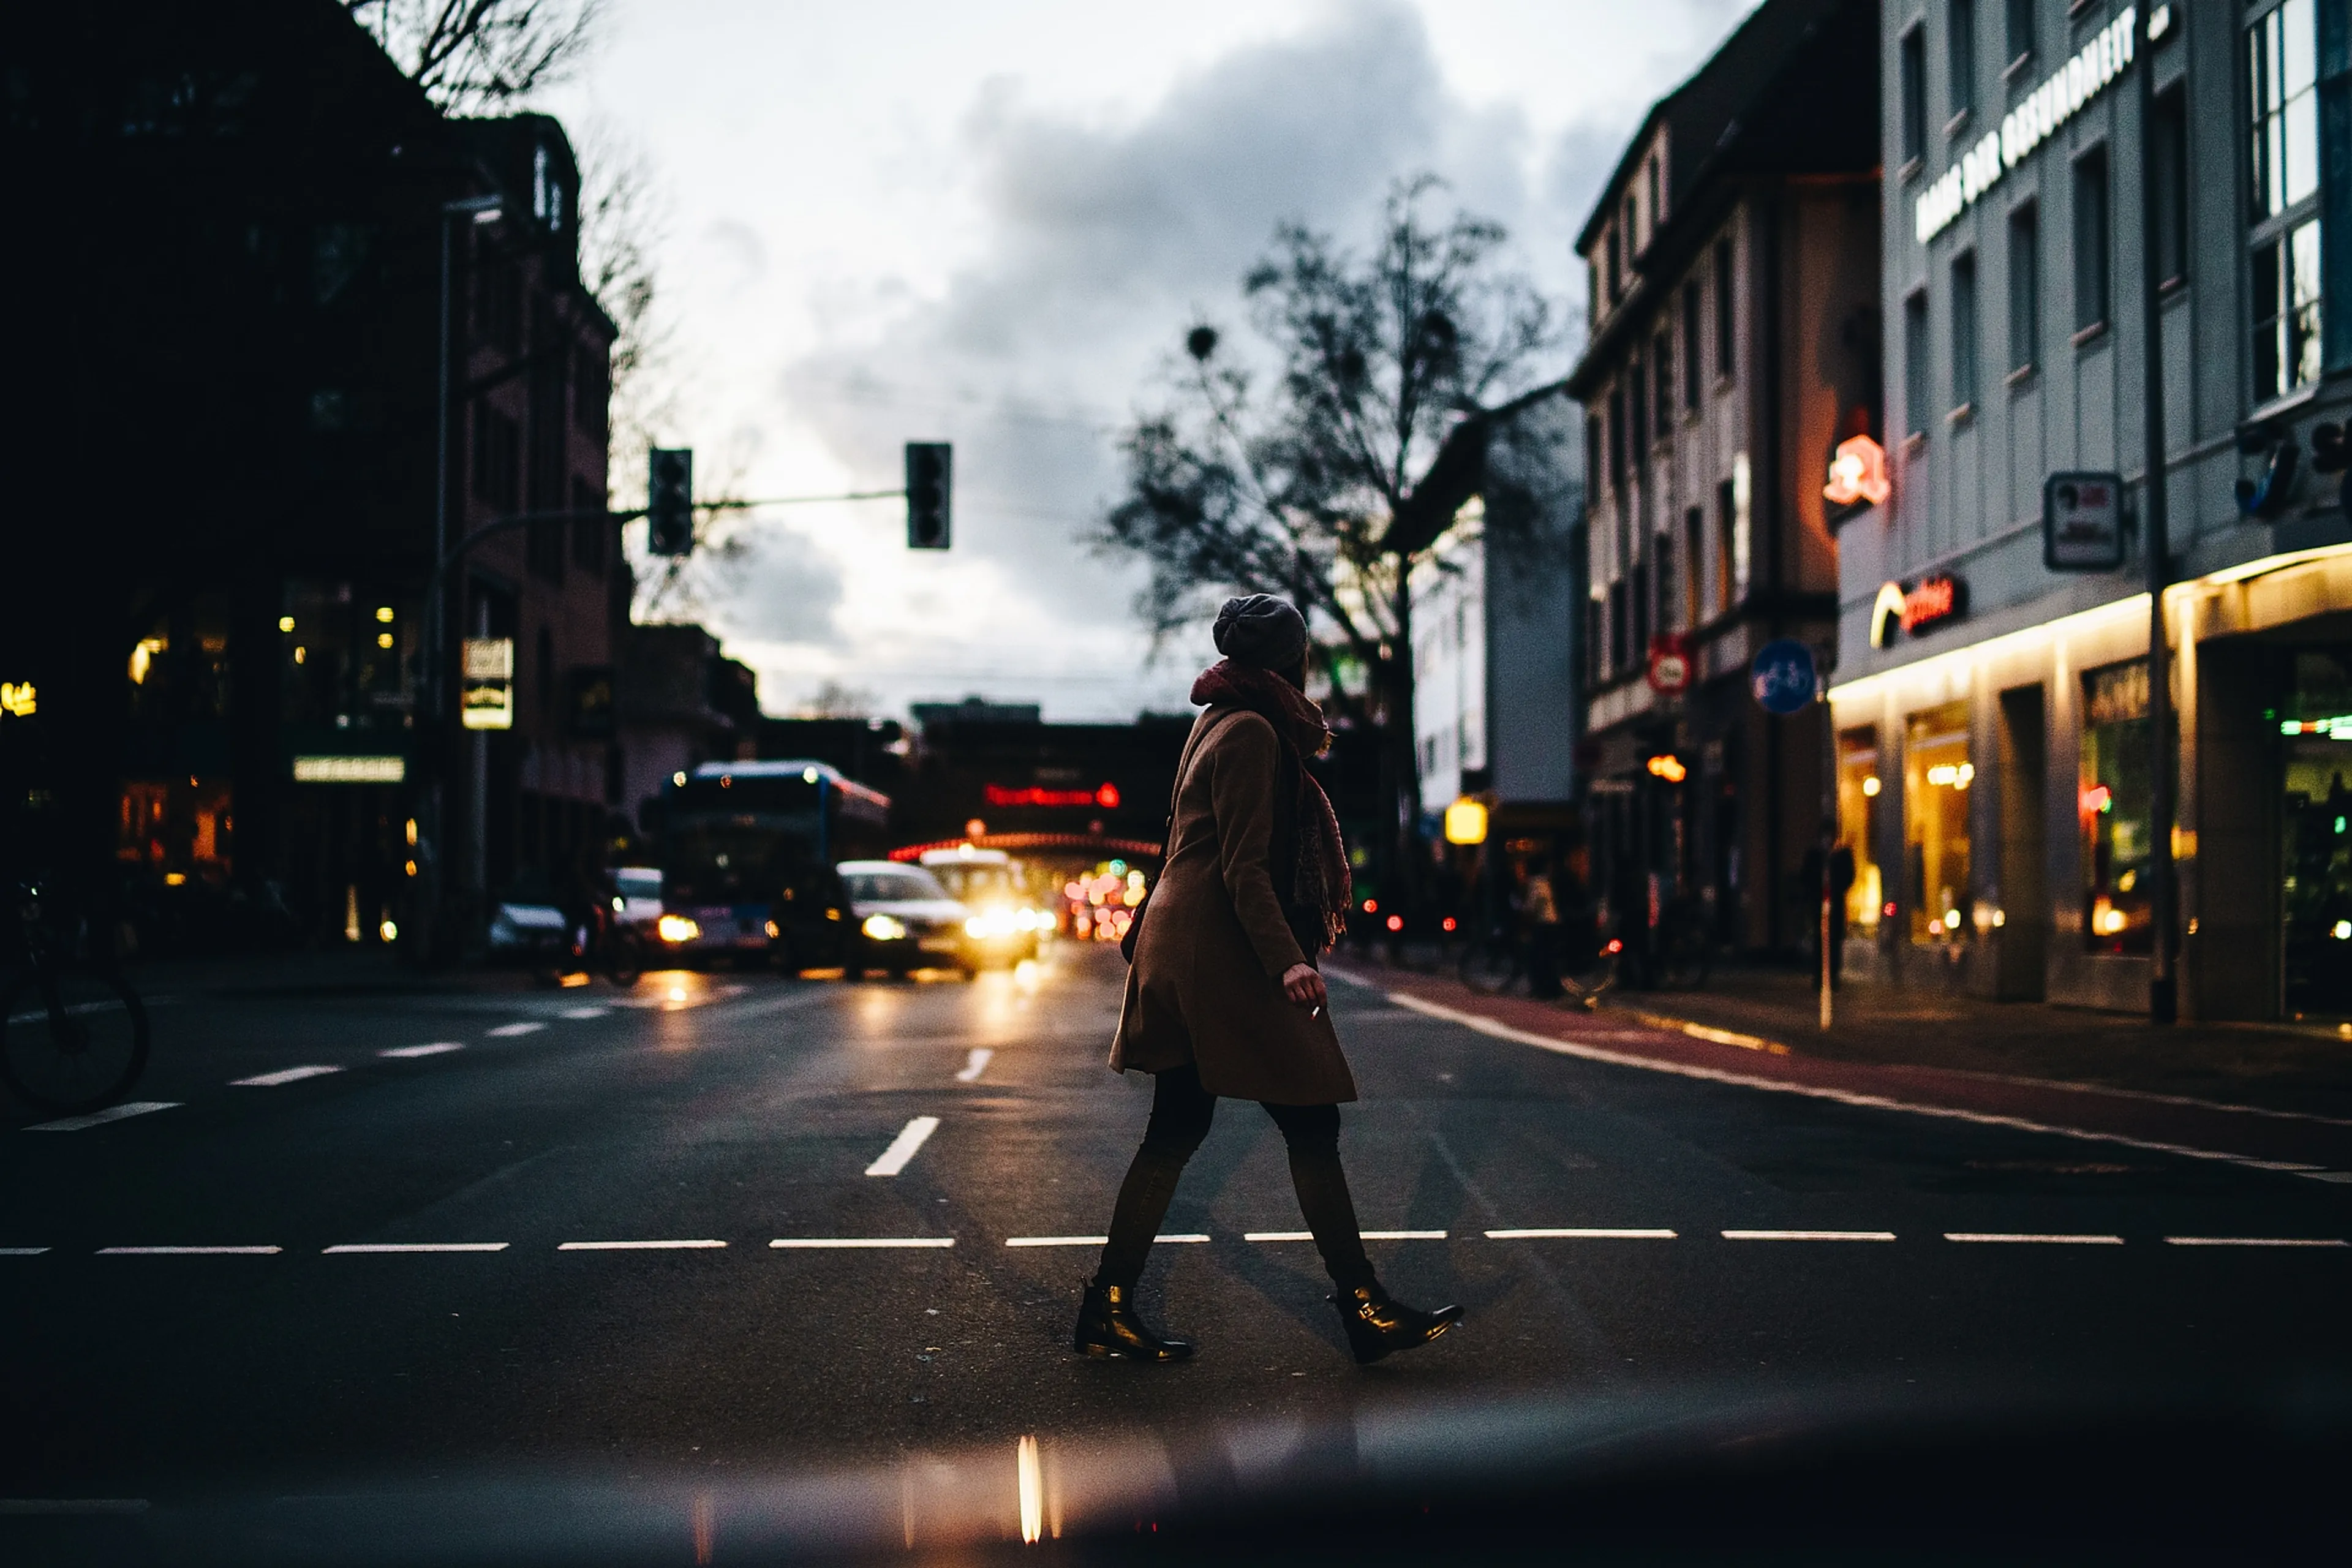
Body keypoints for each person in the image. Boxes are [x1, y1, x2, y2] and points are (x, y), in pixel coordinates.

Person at [1078, 594, 1461, 1366]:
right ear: (1292, 661)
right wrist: (1287, 957)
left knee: (1179, 1127)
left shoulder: (1214, 719)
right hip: (1220, 949)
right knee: (1310, 1122)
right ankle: (1362, 1307)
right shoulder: (1254, 731)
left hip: (1189, 941)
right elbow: (1245, 864)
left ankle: (1109, 1305)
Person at [1518, 853, 1564, 1000]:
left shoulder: (1536, 883)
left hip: (1544, 925)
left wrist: (1524, 920)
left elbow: (1532, 907)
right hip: (1551, 924)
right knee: (1547, 957)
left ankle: (1544, 989)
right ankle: (1550, 989)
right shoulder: (1545, 882)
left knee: (1538, 957)